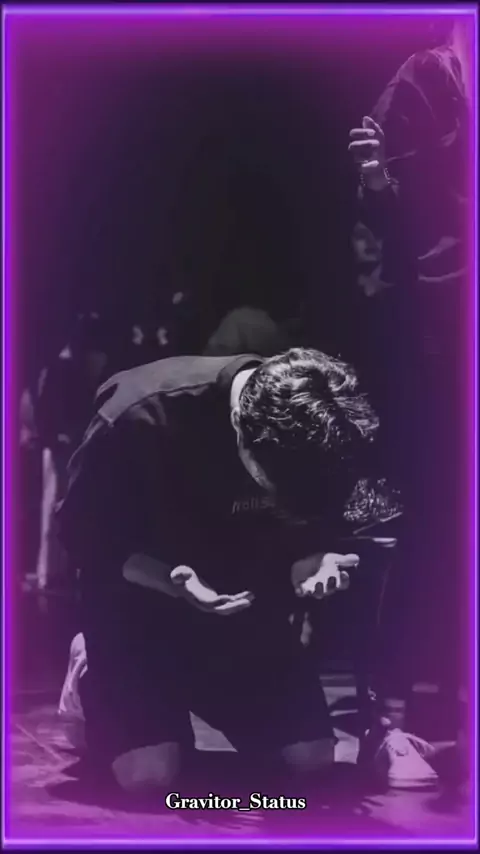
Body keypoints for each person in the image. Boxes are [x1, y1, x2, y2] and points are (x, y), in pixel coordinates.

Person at [56, 348, 379, 796]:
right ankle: (88, 668)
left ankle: (186, 692)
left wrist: (311, 558)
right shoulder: (137, 415)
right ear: (242, 436)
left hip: (241, 610)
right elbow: (82, 536)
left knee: (312, 758)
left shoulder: (311, 433)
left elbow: (309, 528)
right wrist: (170, 580)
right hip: (137, 610)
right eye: (274, 487)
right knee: (149, 776)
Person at [348, 16, 470, 789]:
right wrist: (379, 191)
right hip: (432, 347)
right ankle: (391, 719)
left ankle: (436, 714)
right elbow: (382, 238)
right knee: (410, 525)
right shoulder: (426, 80)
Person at [35, 312, 112, 590]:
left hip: (72, 448)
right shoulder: (61, 369)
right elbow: (47, 413)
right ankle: (51, 575)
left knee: (66, 511)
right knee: (55, 509)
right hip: (61, 449)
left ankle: (61, 573)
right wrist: (54, 437)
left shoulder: (68, 368)